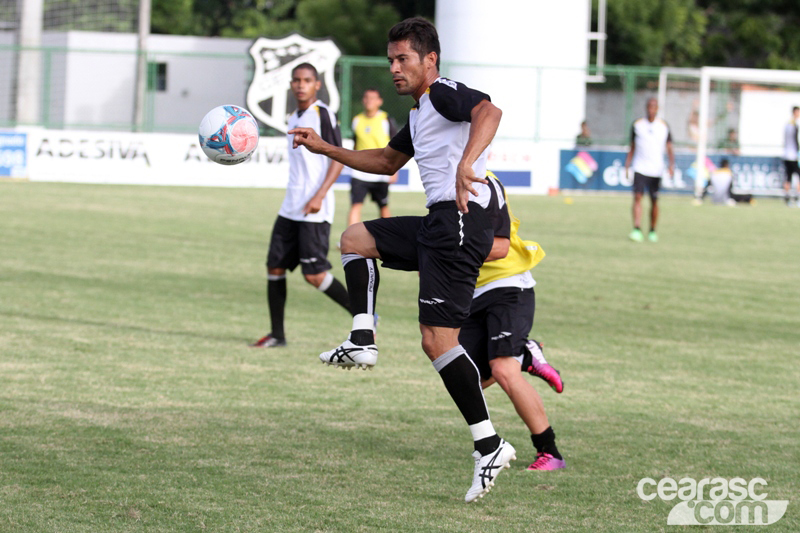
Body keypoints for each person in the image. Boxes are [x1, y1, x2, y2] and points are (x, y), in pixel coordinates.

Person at [289, 17, 515, 503]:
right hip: (440, 222)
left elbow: (490, 112)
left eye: (402, 59)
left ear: (429, 60)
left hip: (459, 221)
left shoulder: (443, 92)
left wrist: (467, 162)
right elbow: (387, 163)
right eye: (390, 60)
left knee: (437, 341)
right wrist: (325, 146)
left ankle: (489, 445)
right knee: (355, 238)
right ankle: (362, 338)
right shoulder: (418, 114)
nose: (394, 68)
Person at [460, 171, 566, 472]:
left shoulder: (481, 182)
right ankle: (525, 355)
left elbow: (498, 246)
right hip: (474, 294)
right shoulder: (442, 185)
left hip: (508, 285)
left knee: (503, 369)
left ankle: (550, 452)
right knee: (467, 380)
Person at [251, 63, 351, 348]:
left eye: (307, 80)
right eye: (296, 80)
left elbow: (338, 157)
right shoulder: (294, 116)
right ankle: (277, 335)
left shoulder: (323, 114)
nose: (300, 85)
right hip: (291, 206)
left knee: (314, 274)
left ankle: (364, 316)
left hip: (314, 209)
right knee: (274, 267)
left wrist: (319, 195)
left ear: (317, 85)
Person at [624, 98, 675, 243]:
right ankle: (636, 228)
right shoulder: (637, 125)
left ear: (657, 108)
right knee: (638, 197)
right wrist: (627, 165)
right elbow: (632, 146)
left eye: (654, 106)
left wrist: (671, 165)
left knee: (654, 201)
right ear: (646, 107)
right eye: (649, 106)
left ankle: (652, 230)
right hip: (640, 167)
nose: (651, 109)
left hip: (656, 169)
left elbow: (669, 147)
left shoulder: (664, 126)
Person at [348, 88, 399, 226]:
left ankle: (388, 238)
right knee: (355, 205)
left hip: (380, 171)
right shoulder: (357, 120)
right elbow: (355, 144)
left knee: (383, 205)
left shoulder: (385, 120)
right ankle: (350, 239)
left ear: (379, 101)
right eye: (366, 97)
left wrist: (395, 170)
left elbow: (396, 146)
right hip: (359, 172)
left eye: (373, 98)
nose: (369, 101)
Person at [782, 106, 800, 207]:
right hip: (793, 155)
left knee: (788, 177)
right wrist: (798, 153)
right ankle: (798, 198)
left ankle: (787, 198)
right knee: (797, 176)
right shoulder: (794, 124)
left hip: (786, 154)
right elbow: (795, 140)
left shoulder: (787, 123)